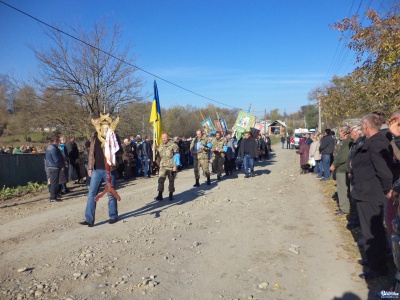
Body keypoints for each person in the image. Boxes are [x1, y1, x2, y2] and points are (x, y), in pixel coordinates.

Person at [351, 114, 392, 279]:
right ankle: (372, 260)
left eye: (361, 126)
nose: (361, 129)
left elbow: (384, 171)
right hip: (365, 192)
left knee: (372, 232)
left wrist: (387, 190)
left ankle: (377, 267)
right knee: (369, 230)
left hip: (371, 193)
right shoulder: (371, 142)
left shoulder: (377, 143)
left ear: (367, 126)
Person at [80, 120, 122, 227]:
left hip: (109, 169)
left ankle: (113, 216)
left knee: (111, 193)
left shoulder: (113, 136)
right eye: (100, 125)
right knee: (91, 194)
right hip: (96, 169)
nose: (103, 127)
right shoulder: (94, 136)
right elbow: (91, 154)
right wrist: (90, 167)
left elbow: (120, 151)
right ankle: (89, 219)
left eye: (105, 125)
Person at [330, 125, 352, 215]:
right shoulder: (344, 141)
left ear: (344, 132)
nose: (338, 133)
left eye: (340, 131)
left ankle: (344, 209)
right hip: (342, 168)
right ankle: (345, 207)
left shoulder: (348, 142)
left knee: (342, 189)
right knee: (343, 189)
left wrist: (334, 165)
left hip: (343, 169)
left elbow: (343, 156)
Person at [154, 132, 180, 201]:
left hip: (171, 166)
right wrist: (155, 151)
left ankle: (171, 194)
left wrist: (175, 166)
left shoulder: (173, 145)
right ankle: (160, 194)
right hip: (163, 166)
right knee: (160, 180)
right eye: (162, 138)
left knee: (171, 181)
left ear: (168, 137)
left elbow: (177, 156)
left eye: (165, 138)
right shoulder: (161, 145)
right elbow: (158, 155)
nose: (164, 139)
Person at [45, 136, 64, 202]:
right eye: (58, 141)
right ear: (55, 141)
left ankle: (54, 195)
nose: (59, 142)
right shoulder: (53, 148)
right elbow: (56, 159)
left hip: (51, 166)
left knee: (54, 182)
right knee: (54, 183)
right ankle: (53, 197)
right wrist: (62, 164)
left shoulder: (50, 147)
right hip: (54, 166)